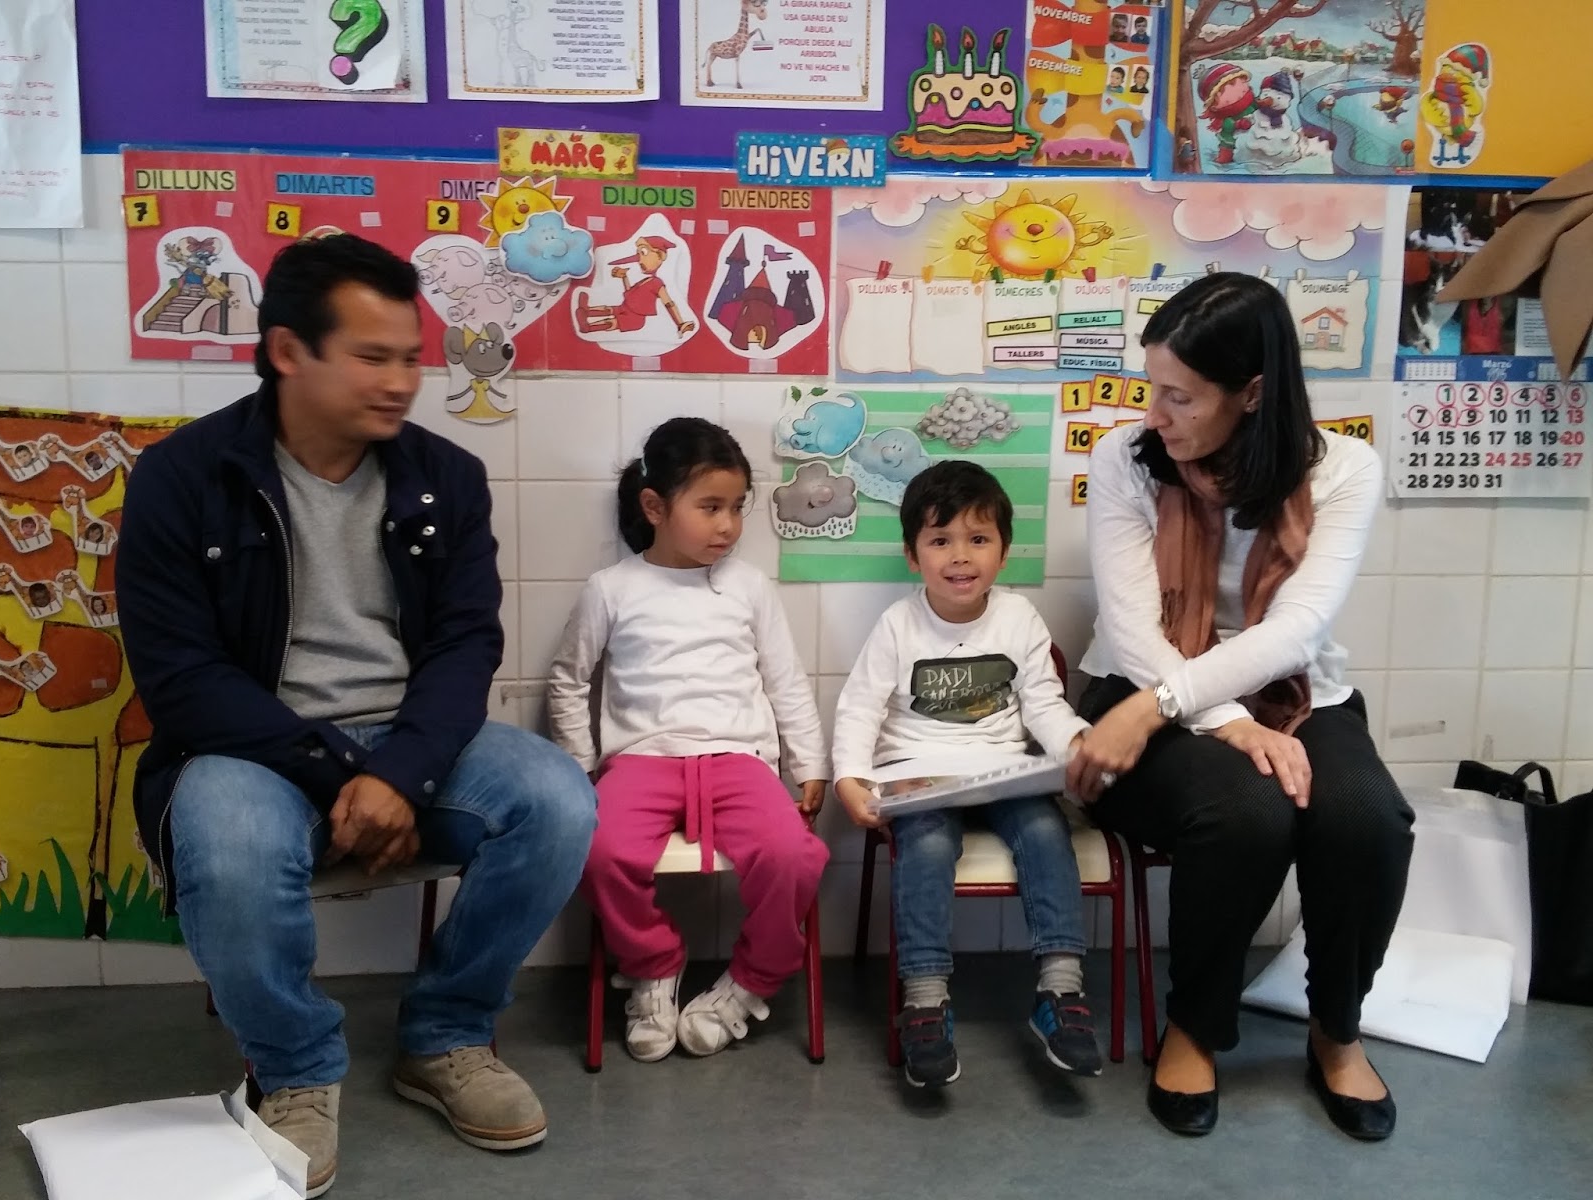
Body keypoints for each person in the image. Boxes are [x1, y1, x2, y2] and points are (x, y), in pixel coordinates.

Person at [116, 233, 597, 1198]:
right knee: (228, 837)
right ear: (289, 351)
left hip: (414, 739)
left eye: (412, 356)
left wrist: (402, 772)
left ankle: (447, 1034)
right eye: (373, 356)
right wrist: (353, 777)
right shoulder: (182, 476)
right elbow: (181, 678)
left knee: (557, 800)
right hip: (251, 748)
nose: (403, 382)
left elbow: (466, 644)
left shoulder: (446, 477)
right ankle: (294, 1067)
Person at [1067, 272, 1413, 1140]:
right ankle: (1194, 1027)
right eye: (1152, 388)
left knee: (1367, 817)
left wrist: (1209, 709)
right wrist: (1223, 721)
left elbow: (1297, 631)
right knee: (1247, 813)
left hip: (1292, 690)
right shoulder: (1125, 460)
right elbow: (1132, 629)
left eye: (1180, 396)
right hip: (1139, 686)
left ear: (1252, 393)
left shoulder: (1343, 470)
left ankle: (1337, 1031)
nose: (1155, 414)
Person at [547, 417, 829, 1063]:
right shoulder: (612, 589)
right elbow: (568, 679)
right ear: (655, 507)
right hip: (641, 761)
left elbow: (785, 680)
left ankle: (752, 979)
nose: (727, 525)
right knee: (595, 851)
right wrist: (579, 766)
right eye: (710, 507)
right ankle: (652, 964)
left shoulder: (749, 587)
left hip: (739, 760)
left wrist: (809, 764)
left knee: (793, 856)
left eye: (736, 507)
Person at [833, 461, 1100, 1089]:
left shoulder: (1019, 617)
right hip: (918, 773)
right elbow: (860, 707)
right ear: (912, 555)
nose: (960, 556)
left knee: (1046, 831)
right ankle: (925, 1000)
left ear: (1003, 552)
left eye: (978, 539)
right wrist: (851, 778)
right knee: (926, 846)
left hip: (1002, 769)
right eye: (940, 540)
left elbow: (1044, 703)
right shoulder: (898, 625)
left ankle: (1060, 991)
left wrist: (1076, 745)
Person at [574, 235, 696, 337]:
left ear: (659, 256)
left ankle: (589, 327)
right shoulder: (644, 281)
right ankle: (586, 311)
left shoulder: (657, 283)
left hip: (636, 318)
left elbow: (669, 303)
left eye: (643, 253)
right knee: (609, 309)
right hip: (626, 307)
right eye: (638, 253)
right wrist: (624, 277)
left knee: (611, 322)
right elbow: (630, 294)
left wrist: (680, 323)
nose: (639, 260)